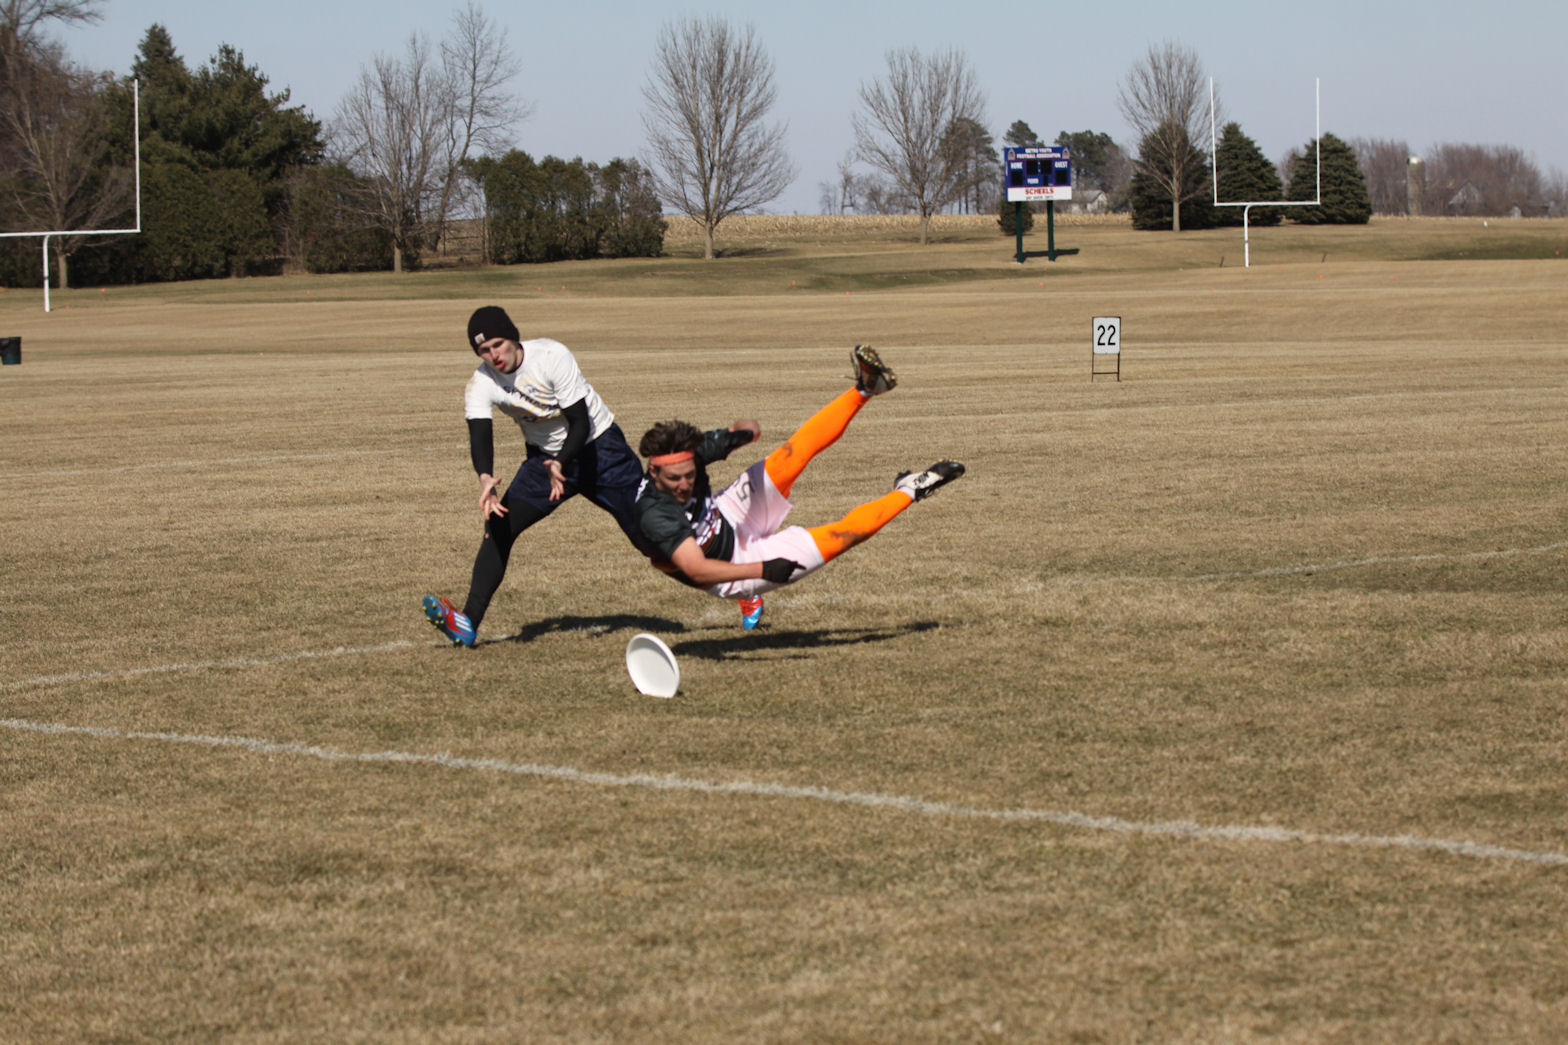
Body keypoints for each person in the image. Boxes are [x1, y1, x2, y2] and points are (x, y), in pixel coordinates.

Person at [632, 345, 964, 622]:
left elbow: (748, 427)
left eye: (690, 474)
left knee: (790, 454)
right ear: (654, 473)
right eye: (674, 478)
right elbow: (699, 571)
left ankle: (866, 388)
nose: (685, 484)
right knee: (841, 537)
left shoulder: (692, 453)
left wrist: (741, 433)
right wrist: (763, 569)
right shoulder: (654, 513)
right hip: (732, 564)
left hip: (727, 512)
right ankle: (912, 488)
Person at [421, 305, 646, 647]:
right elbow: (480, 434)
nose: (494, 355)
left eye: (498, 344)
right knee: (499, 525)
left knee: (650, 537)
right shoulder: (481, 382)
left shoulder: (552, 356)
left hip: (601, 451)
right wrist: (485, 478)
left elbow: (580, 423)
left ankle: (728, 574)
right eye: (484, 350)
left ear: (513, 337)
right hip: (544, 461)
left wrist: (562, 462)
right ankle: (467, 622)